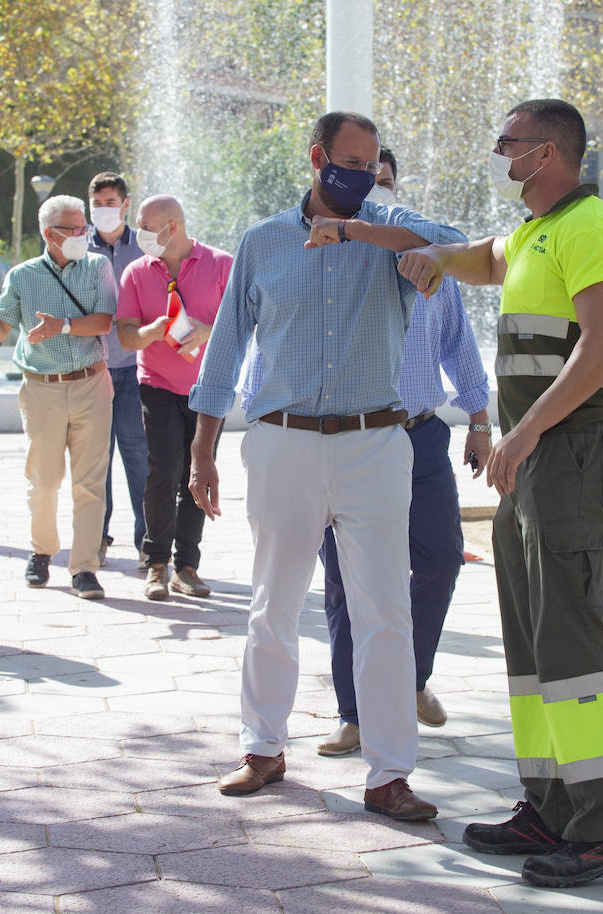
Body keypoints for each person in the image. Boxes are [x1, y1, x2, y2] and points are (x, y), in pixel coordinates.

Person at [187, 111, 465, 820]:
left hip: (376, 440)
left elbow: (459, 250)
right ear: (317, 158)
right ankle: (262, 747)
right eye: (350, 161)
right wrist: (203, 446)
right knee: (272, 604)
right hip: (283, 438)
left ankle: (389, 775)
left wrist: (361, 231)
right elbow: (225, 348)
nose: (364, 176)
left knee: (385, 613)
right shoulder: (263, 240)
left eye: (372, 165)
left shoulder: (390, 230)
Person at [398, 98, 603, 888]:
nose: (497, 152)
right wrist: (404, 247)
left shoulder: (592, 226)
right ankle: (549, 806)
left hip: (569, 452)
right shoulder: (536, 232)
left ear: (546, 153)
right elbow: (479, 257)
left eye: (507, 142)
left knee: (573, 643)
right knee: (533, 645)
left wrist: (525, 429)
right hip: (536, 460)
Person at [313, 148, 493, 757]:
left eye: (385, 185)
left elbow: (457, 341)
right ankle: (354, 713)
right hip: (346, 438)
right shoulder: (324, 263)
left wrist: (479, 416)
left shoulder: (429, 259)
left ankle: (410, 679)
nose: (377, 198)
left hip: (418, 434)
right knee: (344, 581)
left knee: (441, 558)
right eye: (364, 188)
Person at [0, 195, 116, 601]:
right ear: (48, 234)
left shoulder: (98, 266)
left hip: (91, 383)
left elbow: (105, 321)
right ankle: (42, 551)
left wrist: (63, 326)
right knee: (43, 480)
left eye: (83, 228)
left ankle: (85, 567)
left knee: (90, 483)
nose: (81, 235)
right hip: (41, 388)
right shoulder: (22, 276)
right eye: (72, 229)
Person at [115, 195, 232, 601]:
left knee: (196, 476)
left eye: (146, 226)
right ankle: (156, 565)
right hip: (158, 384)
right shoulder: (135, 272)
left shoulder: (221, 265)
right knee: (162, 472)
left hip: (209, 390)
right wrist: (152, 331)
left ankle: (188, 566)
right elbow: (126, 334)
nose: (139, 233)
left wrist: (205, 330)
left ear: (172, 227)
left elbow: (248, 325)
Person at [87, 172, 148, 569]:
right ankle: (96, 538)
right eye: (97, 203)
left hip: (133, 370)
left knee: (139, 456)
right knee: (95, 460)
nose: (103, 210)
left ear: (125, 204)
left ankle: (148, 540)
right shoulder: (79, 247)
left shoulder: (144, 246)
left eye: (110, 202)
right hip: (92, 369)